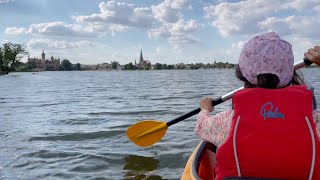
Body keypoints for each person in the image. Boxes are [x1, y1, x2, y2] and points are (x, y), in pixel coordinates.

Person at [195, 32, 320, 179]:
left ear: (243, 74)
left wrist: (205, 109)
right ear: (290, 74)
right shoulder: (314, 121)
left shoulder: (227, 121)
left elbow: (200, 127)